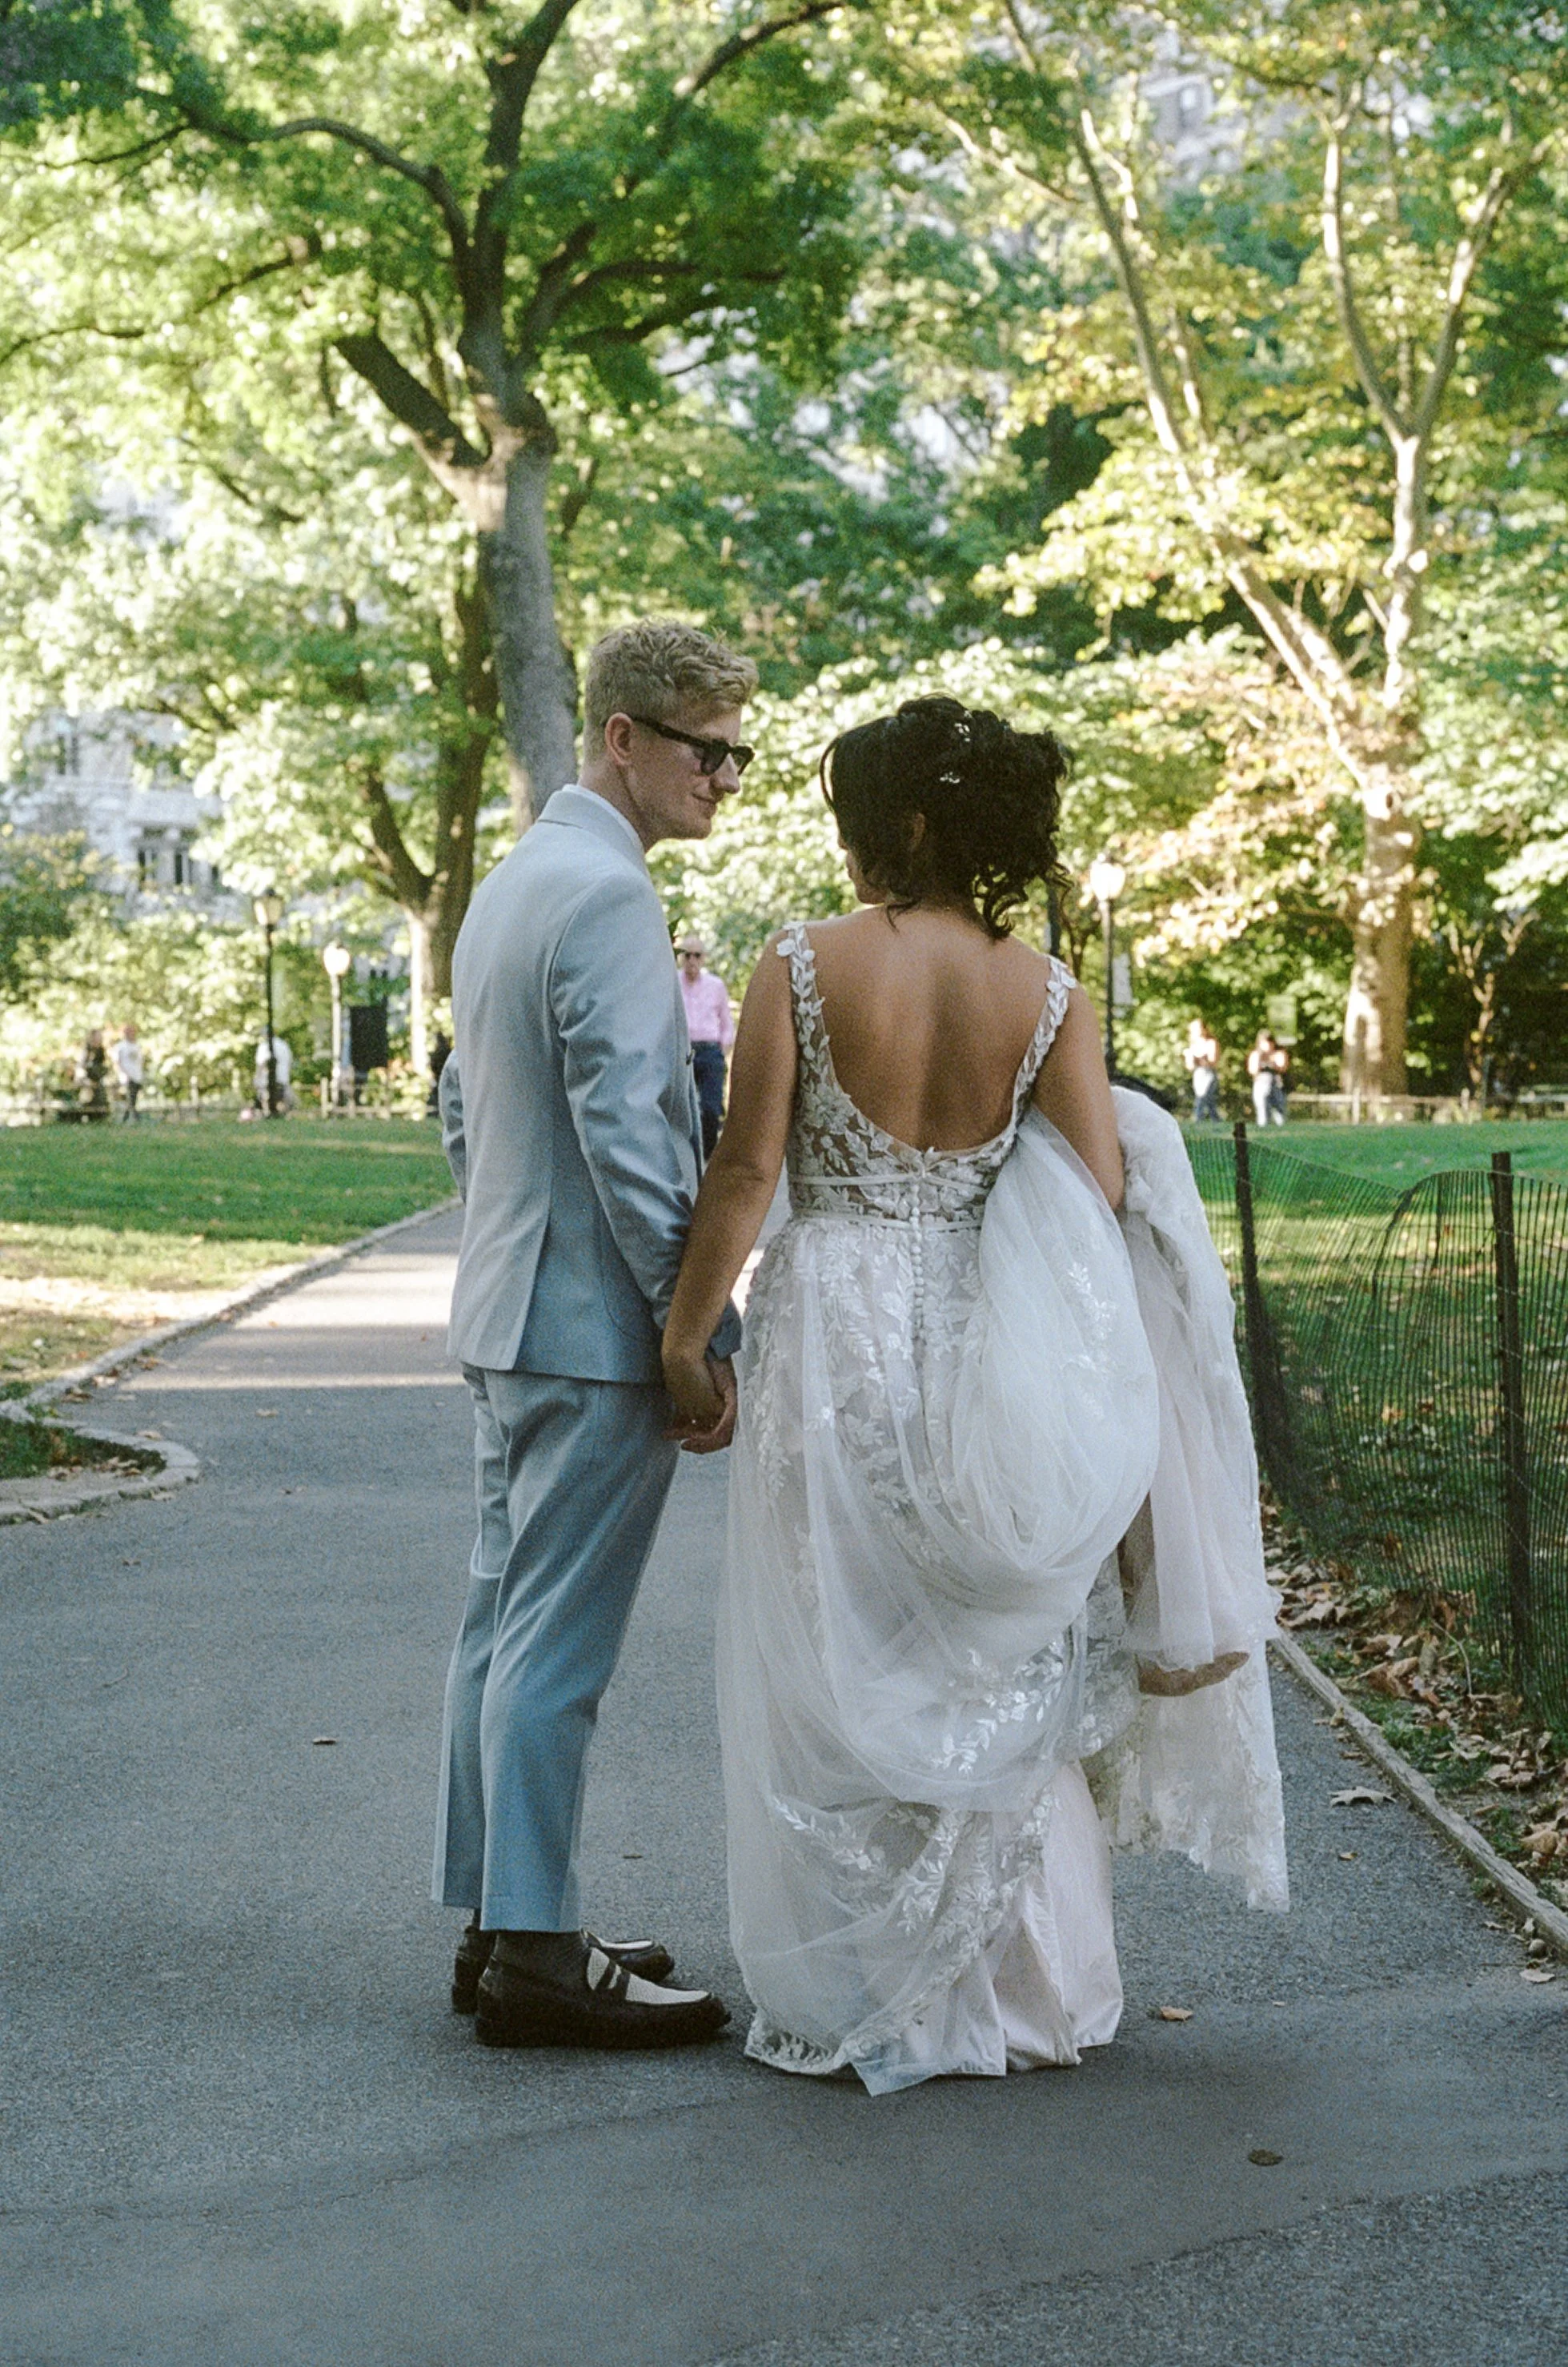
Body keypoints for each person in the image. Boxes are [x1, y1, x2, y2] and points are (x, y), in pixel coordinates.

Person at [662, 696, 1285, 2093]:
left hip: (832, 1341)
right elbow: (1094, 1198)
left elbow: (745, 1174)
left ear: (906, 821)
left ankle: (872, 1984)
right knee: (993, 1649)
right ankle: (1026, 1989)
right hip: (987, 1342)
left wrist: (685, 1335)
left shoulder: (798, 965)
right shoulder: (1046, 989)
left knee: (844, 1647)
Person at [433, 620, 756, 2052]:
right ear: (619, 736)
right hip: (591, 1334)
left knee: (499, 1628)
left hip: (508, 1317)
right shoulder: (611, 900)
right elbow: (637, 1133)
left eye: (736, 754)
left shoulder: (512, 884)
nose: (724, 778)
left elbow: (461, 1110)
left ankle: (504, 1920)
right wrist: (694, 1321)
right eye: (702, 750)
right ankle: (542, 1958)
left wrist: (512, 1234)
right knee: (553, 1647)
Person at [676, 932, 735, 1158]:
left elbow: (726, 1021)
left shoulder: (715, 985)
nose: (691, 961)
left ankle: (708, 1157)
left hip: (710, 1051)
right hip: (683, 1051)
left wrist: (724, 1047)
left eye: (696, 955)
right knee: (682, 1108)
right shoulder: (672, 983)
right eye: (687, 955)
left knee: (710, 1109)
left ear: (703, 958)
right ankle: (685, 1156)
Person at [1183, 1017, 1220, 1123]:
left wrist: (1200, 1058)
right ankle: (1216, 1121)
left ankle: (1198, 1119)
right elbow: (1190, 1066)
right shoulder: (1193, 1046)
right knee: (1208, 1100)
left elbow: (1213, 1061)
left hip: (1208, 1073)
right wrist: (1190, 1057)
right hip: (1198, 1074)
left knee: (1203, 1097)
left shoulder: (1211, 1043)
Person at [1247, 1030, 1286, 1127]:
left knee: (1279, 1108)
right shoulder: (1255, 1054)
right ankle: (1263, 1127)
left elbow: (1282, 1067)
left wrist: (1271, 1062)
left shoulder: (1278, 1054)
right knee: (1262, 1108)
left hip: (1276, 1083)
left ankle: (1281, 1127)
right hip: (1261, 1083)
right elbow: (1253, 1070)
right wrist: (1260, 1058)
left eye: (1269, 1042)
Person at [254, 1031, 294, 1114]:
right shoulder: (284, 1045)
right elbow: (290, 1062)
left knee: (266, 1099)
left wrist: (257, 1078)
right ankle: (282, 1119)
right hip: (283, 1078)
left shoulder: (265, 1046)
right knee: (281, 1100)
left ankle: (268, 1115)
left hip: (267, 1079)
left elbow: (262, 1063)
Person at [113, 1023, 145, 1121]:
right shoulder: (120, 1046)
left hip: (137, 1076)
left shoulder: (138, 1046)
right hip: (126, 1077)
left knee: (133, 1099)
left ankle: (125, 1118)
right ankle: (135, 1117)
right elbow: (117, 1062)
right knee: (130, 1097)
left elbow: (140, 1061)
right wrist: (124, 1074)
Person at [78, 1029, 110, 1121]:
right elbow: (82, 1066)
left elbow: (103, 1065)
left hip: (98, 1079)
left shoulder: (101, 1051)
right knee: (86, 1100)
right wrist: (87, 1080)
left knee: (100, 1100)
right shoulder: (86, 1050)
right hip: (87, 1080)